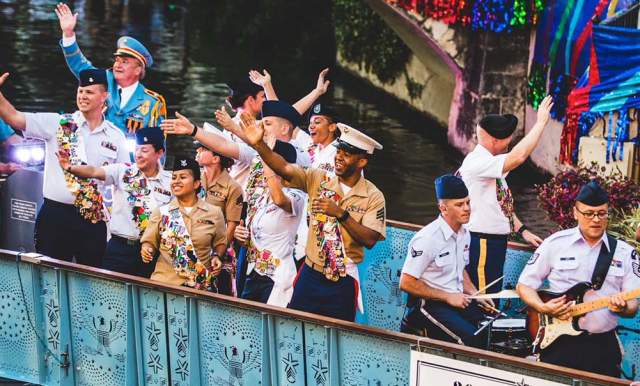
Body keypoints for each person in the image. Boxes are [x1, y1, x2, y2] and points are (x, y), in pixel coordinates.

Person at [239, 119, 386, 321]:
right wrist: (259, 145)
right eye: (339, 151)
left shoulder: (373, 196)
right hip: (311, 273)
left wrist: (341, 214)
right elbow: (283, 167)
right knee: (294, 331)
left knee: (337, 337)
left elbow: (369, 239)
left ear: (362, 161)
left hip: (342, 280)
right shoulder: (318, 178)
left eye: (347, 154)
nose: (339, 158)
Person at [0, 69, 128, 266]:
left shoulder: (116, 136)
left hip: (93, 218)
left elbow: (124, 181)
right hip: (56, 215)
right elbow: (14, 117)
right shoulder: (58, 124)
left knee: (93, 278)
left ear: (105, 97)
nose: (83, 96)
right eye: (81, 91)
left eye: (89, 92)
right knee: (49, 276)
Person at [517, 181, 640, 376]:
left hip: (602, 345)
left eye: (601, 213)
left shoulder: (626, 254)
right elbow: (525, 285)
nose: (596, 219)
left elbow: (633, 305)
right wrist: (542, 307)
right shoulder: (555, 244)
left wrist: (624, 307)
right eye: (588, 214)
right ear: (575, 213)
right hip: (559, 342)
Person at [458, 96, 553, 294]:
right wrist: (541, 123)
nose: (512, 140)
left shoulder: (491, 165)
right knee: (483, 299)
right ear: (495, 140)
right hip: (481, 243)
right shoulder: (477, 163)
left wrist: (523, 230)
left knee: (491, 295)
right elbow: (518, 156)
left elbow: (501, 203)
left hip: (494, 243)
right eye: (509, 137)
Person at [57, 127, 171, 276]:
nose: (138, 155)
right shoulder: (123, 171)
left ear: (160, 153)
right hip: (119, 249)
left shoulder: (170, 182)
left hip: (151, 251)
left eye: (144, 150)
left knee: (146, 296)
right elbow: (93, 171)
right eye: (136, 150)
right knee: (111, 296)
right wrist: (70, 167)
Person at [399, 175, 493, 348]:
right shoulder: (428, 238)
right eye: (459, 204)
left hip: (456, 298)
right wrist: (448, 296)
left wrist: (476, 294)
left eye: (468, 202)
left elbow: (460, 269)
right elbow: (406, 282)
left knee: (489, 327)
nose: (467, 209)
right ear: (443, 208)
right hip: (427, 304)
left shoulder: (465, 234)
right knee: (470, 339)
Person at [55, 3, 166, 134]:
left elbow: (157, 146)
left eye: (124, 62)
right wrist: (68, 34)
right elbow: (79, 64)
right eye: (117, 60)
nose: (117, 65)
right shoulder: (102, 80)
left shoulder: (152, 103)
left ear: (138, 70)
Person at [233, 141, 305, 306]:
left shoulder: (297, 195)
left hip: (277, 277)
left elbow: (279, 199)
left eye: (269, 160)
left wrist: (267, 161)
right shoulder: (261, 197)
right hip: (254, 272)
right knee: (248, 324)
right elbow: (256, 235)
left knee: (273, 327)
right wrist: (241, 236)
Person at [141, 157, 226, 291]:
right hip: (165, 285)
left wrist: (217, 256)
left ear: (196, 183)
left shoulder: (214, 213)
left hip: (199, 288)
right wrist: (146, 249)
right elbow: (149, 242)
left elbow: (220, 243)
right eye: (174, 177)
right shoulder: (161, 212)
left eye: (183, 177)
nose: (176, 182)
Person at [195, 131, 243, 249]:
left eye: (203, 149)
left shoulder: (233, 187)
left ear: (216, 159)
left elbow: (231, 227)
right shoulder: (193, 179)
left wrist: (218, 254)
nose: (198, 151)